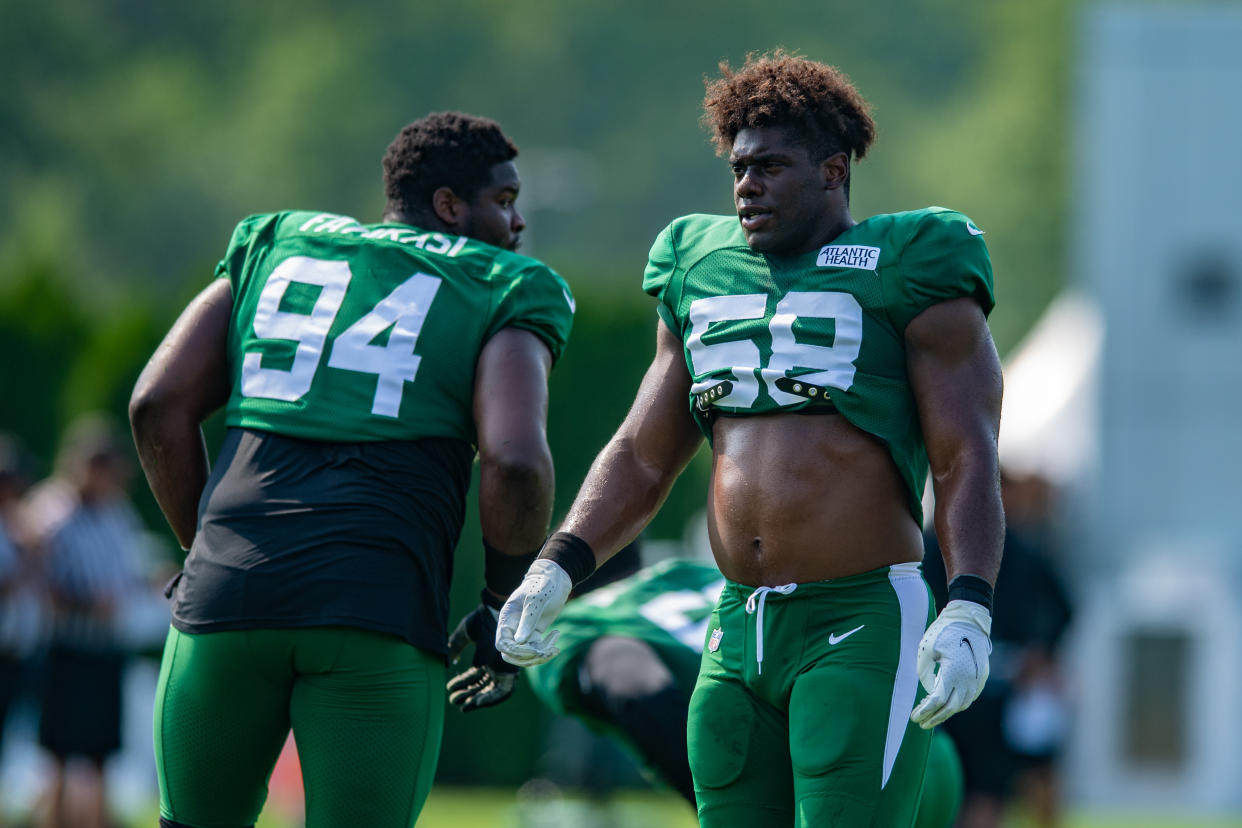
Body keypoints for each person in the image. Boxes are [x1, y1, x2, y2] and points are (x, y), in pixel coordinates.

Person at [497, 50, 1003, 828]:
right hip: (738, 623)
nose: (746, 187)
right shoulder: (699, 266)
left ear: (834, 171)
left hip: (860, 616)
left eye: (770, 167)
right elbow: (642, 452)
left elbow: (966, 453)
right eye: (738, 169)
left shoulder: (909, 264)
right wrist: (557, 565)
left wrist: (969, 603)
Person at [128, 111, 575, 828]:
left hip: (226, 598)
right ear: (449, 206)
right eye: (503, 201)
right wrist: (500, 602)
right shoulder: (505, 283)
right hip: (374, 606)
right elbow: (516, 460)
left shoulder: (277, 241)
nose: (517, 223)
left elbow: (157, 404)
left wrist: (199, 549)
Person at [525, 555, 966, 827]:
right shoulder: (680, 574)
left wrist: (723, 792)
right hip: (921, 750)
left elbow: (638, 691)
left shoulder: (574, 623)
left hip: (819, 772)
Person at [923, 470, 1073, 828]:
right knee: (977, 791)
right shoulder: (934, 547)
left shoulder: (1020, 548)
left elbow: (1064, 607)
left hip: (1001, 684)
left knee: (991, 790)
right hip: (963, 684)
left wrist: (1043, 654)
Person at [22, 414, 150, 828]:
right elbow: (36, 575)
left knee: (99, 754)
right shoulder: (52, 510)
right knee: (58, 752)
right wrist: (83, 602)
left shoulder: (117, 513)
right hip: (66, 645)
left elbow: (128, 573)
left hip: (106, 646)